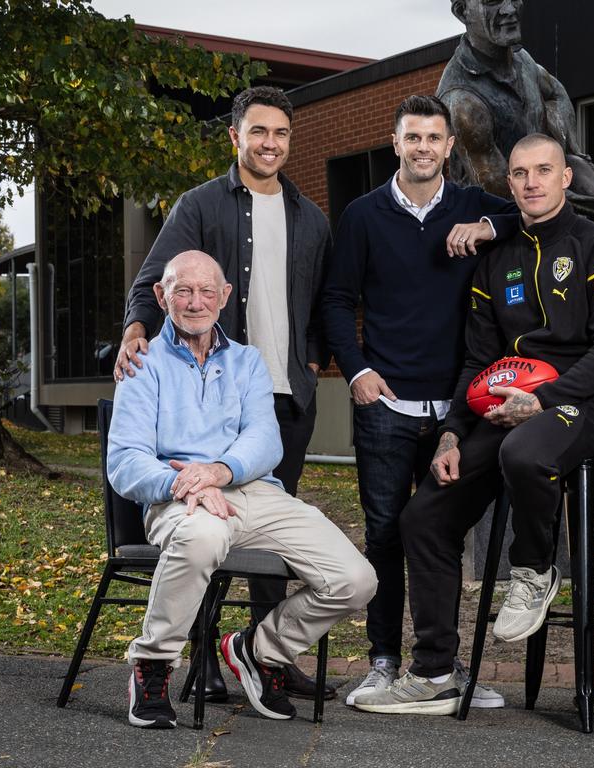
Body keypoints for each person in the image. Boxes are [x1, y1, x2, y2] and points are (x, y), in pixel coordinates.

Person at [353, 133, 594, 715]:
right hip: (503, 408)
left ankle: (533, 568)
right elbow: (477, 362)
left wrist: (547, 397)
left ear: (566, 178)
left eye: (543, 171)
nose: (531, 182)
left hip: (583, 403)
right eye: (519, 174)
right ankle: (434, 673)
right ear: (508, 185)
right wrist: (453, 432)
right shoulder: (494, 259)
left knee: (524, 453)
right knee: (423, 515)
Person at [114, 86, 331, 700]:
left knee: (271, 531)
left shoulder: (310, 218)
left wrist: (312, 360)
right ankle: (204, 661)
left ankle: (268, 658)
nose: (270, 144)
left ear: (290, 140)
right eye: (258, 131)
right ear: (235, 136)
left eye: (281, 133)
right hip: (215, 394)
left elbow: (322, 302)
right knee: (207, 527)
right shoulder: (201, 205)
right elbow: (153, 281)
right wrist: (135, 330)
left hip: (284, 400)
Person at [108, 251, 375, 730]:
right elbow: (124, 462)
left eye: (207, 291)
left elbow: (265, 441)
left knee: (355, 579)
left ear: (225, 296)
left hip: (252, 492)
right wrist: (181, 481)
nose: (195, 302)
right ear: (160, 295)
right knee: (203, 536)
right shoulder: (142, 363)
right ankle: (152, 666)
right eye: (182, 290)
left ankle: (259, 650)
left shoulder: (248, 362)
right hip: (177, 498)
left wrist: (218, 471)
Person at [322, 94, 518, 707]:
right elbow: (334, 300)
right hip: (385, 405)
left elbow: (529, 214)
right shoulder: (362, 215)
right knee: (383, 535)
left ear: (450, 146)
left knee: (440, 537)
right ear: (396, 142)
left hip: (456, 411)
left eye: (435, 138)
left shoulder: (471, 206)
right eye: (413, 138)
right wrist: (355, 370)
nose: (424, 148)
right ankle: (383, 662)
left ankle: (443, 665)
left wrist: (487, 226)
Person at [437, 0, 594, 216]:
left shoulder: (521, 59)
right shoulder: (462, 102)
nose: (509, 9)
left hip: (541, 184)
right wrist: (555, 194)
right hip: (500, 219)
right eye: (492, 2)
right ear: (463, 12)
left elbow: (556, 91)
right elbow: (499, 192)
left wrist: (565, 147)